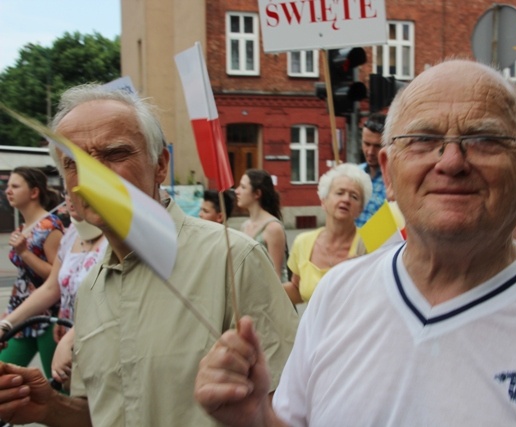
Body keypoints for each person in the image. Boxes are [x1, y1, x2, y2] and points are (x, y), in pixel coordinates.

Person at [194, 59, 516, 426]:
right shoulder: (338, 295)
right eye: (423, 140)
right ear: (387, 172)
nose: (450, 161)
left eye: (483, 139)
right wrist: (253, 415)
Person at [0, 84, 298, 427]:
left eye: (114, 154)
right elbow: (104, 414)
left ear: (160, 165)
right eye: (74, 162)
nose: (93, 174)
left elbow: (289, 407)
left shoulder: (234, 259)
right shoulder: (91, 289)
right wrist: (50, 407)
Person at [0, 190, 108, 389]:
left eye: (79, 191)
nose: (71, 198)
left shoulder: (114, 239)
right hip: (70, 342)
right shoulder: (72, 234)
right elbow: (52, 287)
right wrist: (6, 323)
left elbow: (111, 300)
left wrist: (70, 339)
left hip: (101, 345)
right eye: (66, 192)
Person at [2, 166, 64, 380]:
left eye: (15, 186)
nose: (8, 191)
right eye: (8, 186)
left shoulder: (49, 226)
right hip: (23, 317)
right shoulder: (22, 229)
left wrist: (24, 252)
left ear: (34, 192)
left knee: (58, 382)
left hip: (47, 317)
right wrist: (11, 314)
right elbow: (23, 278)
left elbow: (55, 276)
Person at [283, 164, 370, 304]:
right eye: (339, 193)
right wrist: (265, 292)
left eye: (354, 196)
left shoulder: (370, 244)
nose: (346, 200)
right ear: (324, 201)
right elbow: (296, 289)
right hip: (314, 326)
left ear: (360, 209)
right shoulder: (302, 242)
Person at [236, 169, 288, 282]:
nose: (237, 191)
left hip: (267, 295)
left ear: (257, 194)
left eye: (243, 187)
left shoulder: (273, 228)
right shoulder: (244, 226)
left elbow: (275, 276)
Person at [354, 113, 386, 227]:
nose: (370, 152)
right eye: (366, 144)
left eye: (377, 146)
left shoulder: (395, 182)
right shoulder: (354, 174)